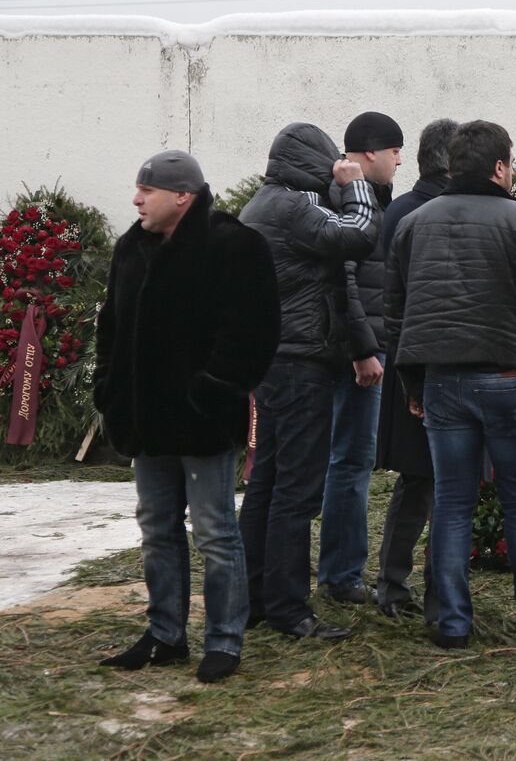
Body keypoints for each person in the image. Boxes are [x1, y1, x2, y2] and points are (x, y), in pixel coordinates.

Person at [94, 150, 279, 683]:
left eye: (145, 191)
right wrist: (109, 387)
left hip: (201, 422)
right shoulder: (133, 247)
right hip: (145, 421)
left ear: (182, 196)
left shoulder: (233, 246)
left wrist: (212, 389)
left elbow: (254, 333)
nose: (135, 200)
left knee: (216, 531)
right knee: (156, 527)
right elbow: (112, 326)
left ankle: (224, 640)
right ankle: (165, 635)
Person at [385, 120, 516, 650]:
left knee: (452, 503)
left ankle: (452, 623)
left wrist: (413, 387)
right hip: (511, 383)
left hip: (443, 383)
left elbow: (396, 317)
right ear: (499, 167)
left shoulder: (414, 224)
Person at [238, 123, 381, 640]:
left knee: (268, 485)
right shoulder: (294, 206)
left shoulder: (261, 204)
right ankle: (288, 608)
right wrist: (356, 184)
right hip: (301, 362)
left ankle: (251, 598)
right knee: (297, 491)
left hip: (275, 359)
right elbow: (359, 235)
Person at [316, 111, 403, 605]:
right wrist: (364, 348)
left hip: (367, 344)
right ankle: (341, 576)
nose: (397, 161)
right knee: (350, 461)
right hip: (358, 354)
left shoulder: (370, 197)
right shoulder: (344, 198)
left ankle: (341, 570)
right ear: (371, 152)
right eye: (394, 152)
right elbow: (344, 277)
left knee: (350, 460)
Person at [374, 118, 454, 621]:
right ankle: (421, 590)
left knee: (418, 480)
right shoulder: (431, 215)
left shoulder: (400, 212)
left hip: (407, 365)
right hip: (430, 370)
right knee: (435, 483)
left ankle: (394, 583)